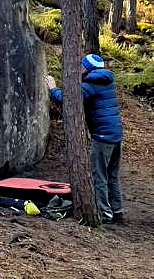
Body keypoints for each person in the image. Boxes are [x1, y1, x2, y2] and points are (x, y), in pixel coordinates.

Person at [45, 54, 124, 224]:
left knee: (99, 175)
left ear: (88, 68)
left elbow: (69, 100)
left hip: (103, 136)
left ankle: (104, 213)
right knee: (112, 175)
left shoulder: (92, 84)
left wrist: (52, 88)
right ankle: (117, 211)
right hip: (116, 134)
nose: (80, 68)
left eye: (82, 66)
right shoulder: (106, 80)